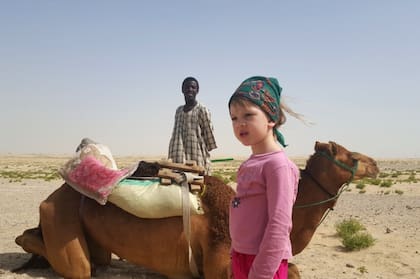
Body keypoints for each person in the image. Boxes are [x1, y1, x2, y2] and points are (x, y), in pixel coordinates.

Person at [228, 76, 299, 279]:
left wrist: (261, 273)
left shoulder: (278, 166)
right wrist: (235, 253)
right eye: (234, 118)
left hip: (265, 264)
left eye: (248, 115)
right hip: (242, 257)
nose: (240, 123)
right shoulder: (250, 162)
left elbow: (279, 224)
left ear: (271, 118)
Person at [168, 77, 217, 174]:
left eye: (193, 87)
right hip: (177, 158)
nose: (190, 89)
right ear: (182, 90)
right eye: (187, 87)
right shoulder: (178, 111)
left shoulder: (202, 110)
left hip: (196, 159)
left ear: (197, 90)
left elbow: (209, 137)